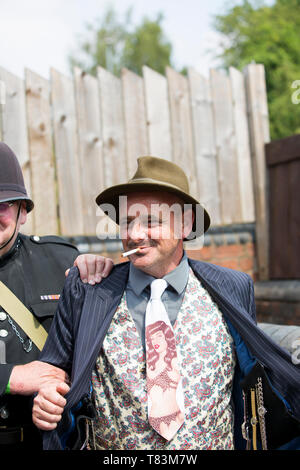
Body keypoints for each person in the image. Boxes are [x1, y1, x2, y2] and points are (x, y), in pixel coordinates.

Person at [33, 156, 300, 451]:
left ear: (185, 223)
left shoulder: (234, 287)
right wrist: (47, 392)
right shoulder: (87, 290)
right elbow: (52, 369)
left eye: (150, 221)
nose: (134, 234)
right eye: (126, 222)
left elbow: (248, 378)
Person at [0, 142, 114, 449]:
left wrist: (103, 278)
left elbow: (100, 351)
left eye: (2, 205)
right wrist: (11, 377)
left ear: (23, 211)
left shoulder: (60, 263)